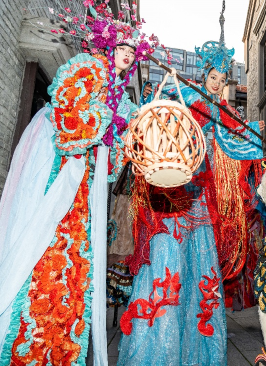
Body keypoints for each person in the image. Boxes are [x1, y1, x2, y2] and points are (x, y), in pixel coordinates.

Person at [0, 1, 156, 364]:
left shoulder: (123, 95)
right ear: (108, 47)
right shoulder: (88, 69)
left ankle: (59, 338)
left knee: (77, 257)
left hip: (86, 184)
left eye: (132, 52)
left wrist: (126, 142)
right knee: (43, 243)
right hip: (59, 169)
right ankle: (30, 336)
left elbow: (116, 158)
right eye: (122, 48)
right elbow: (68, 125)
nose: (126, 56)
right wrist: (106, 120)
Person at [117, 30, 266, 365]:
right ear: (204, 76)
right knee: (167, 263)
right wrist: (189, 98)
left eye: (221, 79)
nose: (216, 84)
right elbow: (162, 103)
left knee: (200, 267)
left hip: (201, 198)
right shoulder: (187, 95)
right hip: (172, 193)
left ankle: (196, 351)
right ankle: (157, 349)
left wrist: (264, 138)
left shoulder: (224, 113)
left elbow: (240, 141)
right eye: (212, 77)